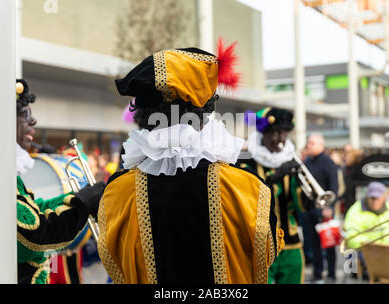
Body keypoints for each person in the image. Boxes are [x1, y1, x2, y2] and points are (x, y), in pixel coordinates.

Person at [97, 46, 282, 284]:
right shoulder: (247, 188)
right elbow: (266, 252)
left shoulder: (117, 193)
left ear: (142, 115)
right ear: (204, 114)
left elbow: (116, 265)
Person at [15, 79, 105, 284]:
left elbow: (34, 212)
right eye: (25, 114)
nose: (33, 121)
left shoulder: (7, 173)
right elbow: (33, 236)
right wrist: (80, 206)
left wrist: (78, 198)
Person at [237, 107, 307, 284]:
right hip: (260, 242)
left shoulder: (290, 159)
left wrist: (309, 198)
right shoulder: (246, 161)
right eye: (275, 134)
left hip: (291, 242)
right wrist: (274, 177)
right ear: (263, 134)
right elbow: (247, 196)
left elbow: (299, 204)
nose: (280, 141)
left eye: (284, 134)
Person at [344, 182, 389, 275]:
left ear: (383, 197)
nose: (374, 201)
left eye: (377, 198)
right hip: (365, 249)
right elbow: (351, 237)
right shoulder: (355, 210)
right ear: (367, 196)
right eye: (372, 198)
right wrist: (370, 244)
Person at [301, 133, 338, 283]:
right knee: (313, 242)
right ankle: (317, 272)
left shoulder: (328, 162)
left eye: (311, 143)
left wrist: (329, 206)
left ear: (320, 145)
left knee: (328, 242)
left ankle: (331, 273)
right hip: (309, 208)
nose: (308, 145)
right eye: (308, 143)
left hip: (324, 208)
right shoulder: (307, 161)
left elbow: (334, 186)